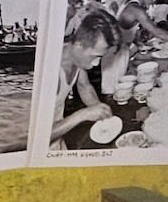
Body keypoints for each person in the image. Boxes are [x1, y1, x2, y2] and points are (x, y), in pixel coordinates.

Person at [51, 9, 122, 146]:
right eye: (95, 56)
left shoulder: (76, 58)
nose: (97, 63)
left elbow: (84, 86)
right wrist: (82, 115)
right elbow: (33, 135)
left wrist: (97, 107)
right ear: (79, 44)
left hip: (58, 139)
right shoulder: (50, 73)